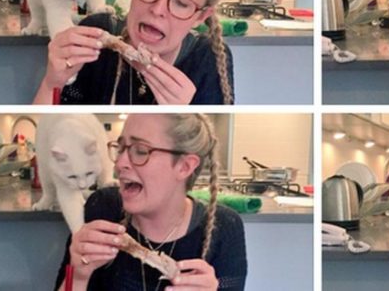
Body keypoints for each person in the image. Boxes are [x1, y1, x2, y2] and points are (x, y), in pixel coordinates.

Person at [33, 0, 234, 105]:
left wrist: (183, 115)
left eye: (181, 2)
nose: (157, 9)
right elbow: (59, 128)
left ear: (200, 16)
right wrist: (52, 82)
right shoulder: (96, 41)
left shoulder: (208, 58)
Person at [54, 114, 247, 290]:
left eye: (140, 151)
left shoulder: (225, 227)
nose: (120, 163)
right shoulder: (103, 207)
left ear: (184, 166)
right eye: (120, 148)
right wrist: (78, 276)